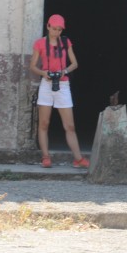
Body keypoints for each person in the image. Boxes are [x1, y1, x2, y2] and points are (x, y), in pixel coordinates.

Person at [29, 14, 89, 169]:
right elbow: (33, 66)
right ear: (48, 26)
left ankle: (78, 159)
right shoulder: (40, 43)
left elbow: (74, 63)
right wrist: (44, 73)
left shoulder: (65, 42)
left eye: (59, 29)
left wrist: (64, 71)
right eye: (54, 29)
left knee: (69, 126)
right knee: (44, 123)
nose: (56, 32)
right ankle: (46, 157)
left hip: (63, 85)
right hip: (46, 85)